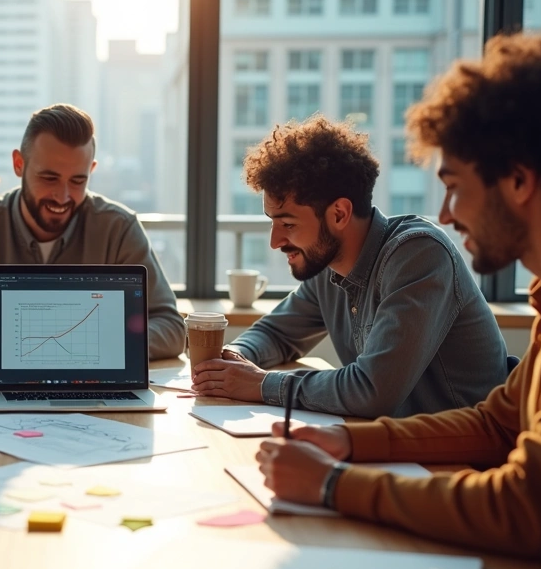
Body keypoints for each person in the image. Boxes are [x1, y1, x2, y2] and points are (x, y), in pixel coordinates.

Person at [255, 34, 541, 569]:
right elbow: (497, 421)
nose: (445, 212)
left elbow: (528, 509)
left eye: (456, 184)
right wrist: (352, 444)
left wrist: (335, 486)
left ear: (518, 181)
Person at [191, 115, 508, 418]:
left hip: (459, 458)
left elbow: (373, 390)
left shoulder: (419, 255)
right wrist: (234, 359)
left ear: (340, 214)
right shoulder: (330, 267)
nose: (274, 241)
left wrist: (260, 384)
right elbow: (276, 333)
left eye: (287, 223)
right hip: (394, 449)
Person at [0, 104, 184, 371]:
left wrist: (94, 345)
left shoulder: (119, 228)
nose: (62, 197)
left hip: (91, 388)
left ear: (92, 171)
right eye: (49, 178)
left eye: (77, 181)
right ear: (18, 164)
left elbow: (171, 327)